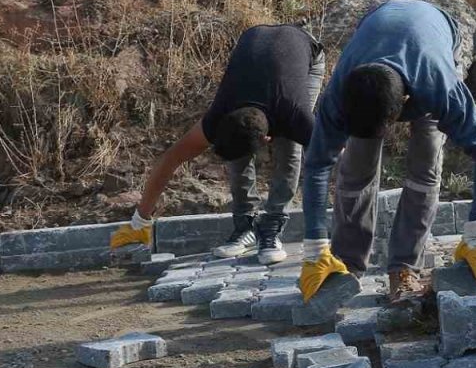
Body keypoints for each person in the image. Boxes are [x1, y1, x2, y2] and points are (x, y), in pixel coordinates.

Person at [297, 0, 476, 305]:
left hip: (435, 36)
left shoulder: (439, 86)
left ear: (407, 102)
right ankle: (345, 265)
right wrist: (315, 246)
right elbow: (316, 166)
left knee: (425, 163)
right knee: (356, 167)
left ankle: (404, 268)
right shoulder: (340, 93)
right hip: (378, 29)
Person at [109, 24, 325, 264]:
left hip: (305, 52)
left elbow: (336, 158)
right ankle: (245, 225)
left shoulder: (295, 115)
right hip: (258, 46)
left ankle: (272, 226)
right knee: (239, 146)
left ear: (266, 140)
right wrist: (140, 222)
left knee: (290, 146)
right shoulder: (218, 115)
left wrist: (325, 242)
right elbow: (170, 159)